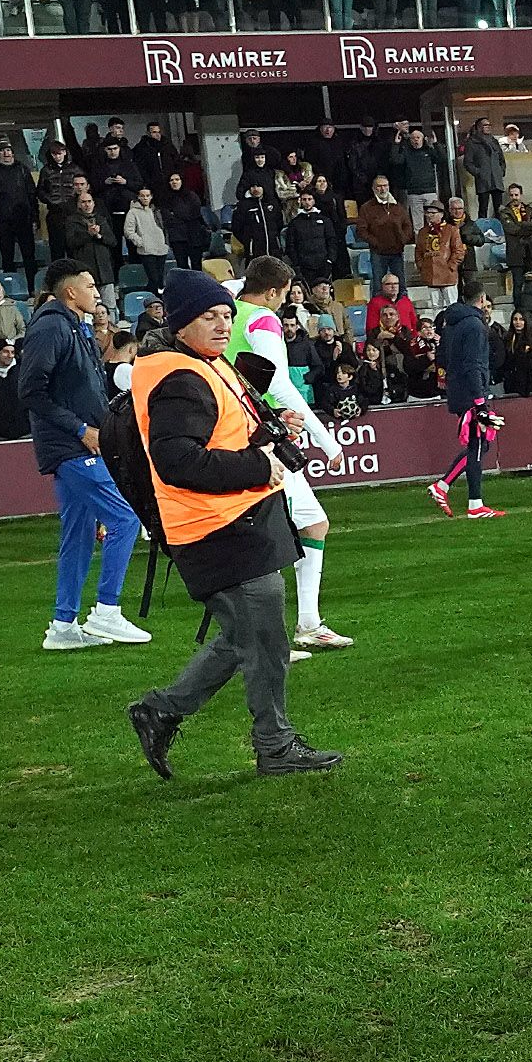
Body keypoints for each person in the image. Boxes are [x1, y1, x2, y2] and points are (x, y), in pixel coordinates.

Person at [125, 269, 341, 780]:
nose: (224, 325)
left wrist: (267, 429)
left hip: (234, 520)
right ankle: (274, 744)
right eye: (210, 317)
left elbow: (224, 429)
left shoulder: (199, 363)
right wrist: (260, 465)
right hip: (216, 525)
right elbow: (177, 460)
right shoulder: (180, 378)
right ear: (182, 324)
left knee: (249, 634)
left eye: (226, 314)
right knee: (264, 638)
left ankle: (162, 710)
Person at [19, 260, 151, 649]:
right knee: (125, 518)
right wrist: (80, 429)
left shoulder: (73, 326)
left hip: (80, 443)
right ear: (70, 292)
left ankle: (63, 627)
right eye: (90, 285)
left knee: (77, 535)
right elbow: (30, 390)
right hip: (71, 446)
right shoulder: (51, 326)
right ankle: (107, 611)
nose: (97, 292)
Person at [235, 257, 353, 649]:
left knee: (313, 524)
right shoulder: (263, 320)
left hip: (246, 431)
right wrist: (326, 438)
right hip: (266, 436)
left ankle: (307, 623)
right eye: (284, 294)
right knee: (263, 542)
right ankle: (265, 639)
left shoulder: (229, 311)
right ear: (273, 292)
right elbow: (280, 383)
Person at [427, 282, 505, 519]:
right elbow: (473, 364)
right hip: (471, 392)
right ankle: (473, 503)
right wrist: (480, 400)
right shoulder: (474, 325)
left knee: (479, 444)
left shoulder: (451, 323)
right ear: (482, 300)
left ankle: (445, 486)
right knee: (479, 444)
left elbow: (443, 356)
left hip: (459, 389)